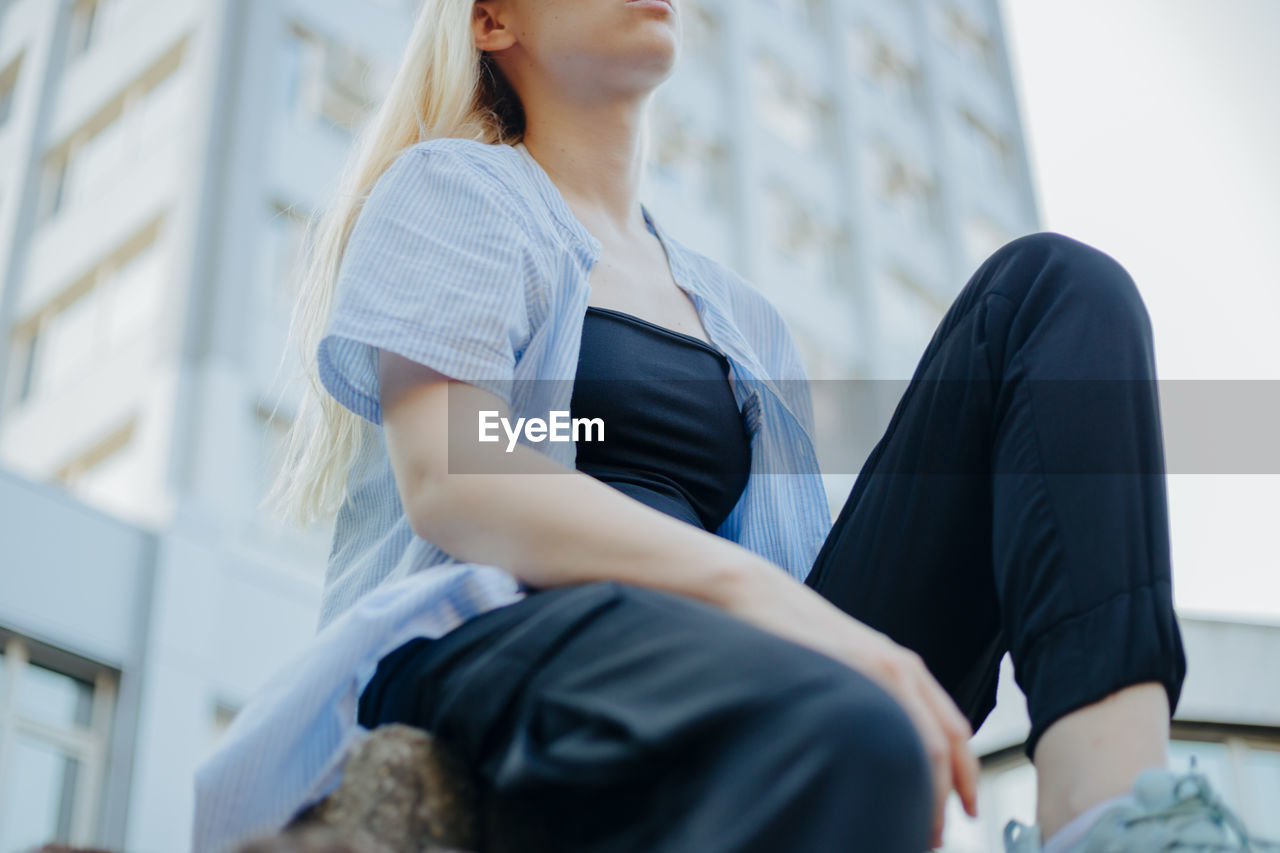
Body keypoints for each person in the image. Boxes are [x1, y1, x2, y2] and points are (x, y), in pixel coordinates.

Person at [193, 1, 1277, 852]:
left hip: (744, 644)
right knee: (841, 730)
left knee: (1053, 288)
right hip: (515, 628)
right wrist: (776, 610)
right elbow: (456, 473)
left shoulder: (741, 317)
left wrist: (819, 618)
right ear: (492, 22)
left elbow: (802, 562)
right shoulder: (457, 192)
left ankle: (1109, 816)